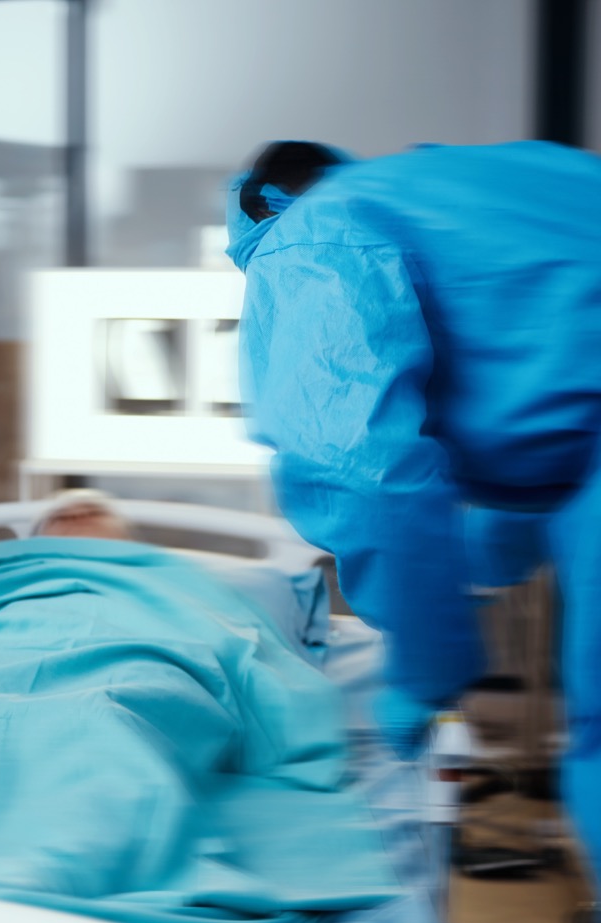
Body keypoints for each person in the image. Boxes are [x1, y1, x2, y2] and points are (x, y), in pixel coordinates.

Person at [224, 139, 601, 875]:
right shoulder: (501, 181)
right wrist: (470, 573)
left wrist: (429, 662)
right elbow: (547, 424)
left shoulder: (311, 236)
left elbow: (358, 468)